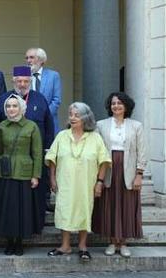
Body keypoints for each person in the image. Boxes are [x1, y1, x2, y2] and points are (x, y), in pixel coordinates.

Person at [45, 102, 111, 262]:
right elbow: (52, 158)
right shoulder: (61, 135)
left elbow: (103, 161)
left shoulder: (95, 138)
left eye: (77, 115)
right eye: (71, 114)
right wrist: (52, 178)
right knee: (65, 210)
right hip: (65, 182)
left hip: (86, 183)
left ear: (85, 118)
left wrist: (99, 182)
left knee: (84, 210)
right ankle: (65, 246)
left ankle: (82, 246)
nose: (73, 118)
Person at [0, 66, 55, 218]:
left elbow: (49, 125)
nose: (22, 84)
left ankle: (35, 223)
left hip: (36, 154)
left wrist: (48, 148)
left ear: (30, 81)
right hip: (12, 157)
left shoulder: (39, 98)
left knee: (36, 192)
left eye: (25, 81)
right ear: (13, 81)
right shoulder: (4, 99)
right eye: (19, 81)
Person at [94, 92, 147, 258]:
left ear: (126, 106)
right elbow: (96, 149)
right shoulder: (101, 125)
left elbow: (142, 151)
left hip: (129, 170)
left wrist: (139, 174)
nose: (116, 106)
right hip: (108, 169)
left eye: (119, 103)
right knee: (109, 204)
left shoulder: (136, 126)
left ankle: (123, 242)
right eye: (113, 103)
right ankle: (111, 241)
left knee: (127, 205)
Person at [0, 94, 43, 256]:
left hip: (24, 172)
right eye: (8, 106)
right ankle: (9, 241)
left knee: (22, 210)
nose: (11, 109)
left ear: (21, 108)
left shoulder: (31, 126)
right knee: (7, 208)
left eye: (14, 106)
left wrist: (36, 175)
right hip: (5, 172)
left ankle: (19, 242)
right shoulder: (1, 126)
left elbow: (37, 152)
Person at [25, 47, 62, 132]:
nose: (28, 61)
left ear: (41, 60)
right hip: (28, 123)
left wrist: (44, 115)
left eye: (31, 57)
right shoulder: (24, 76)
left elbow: (56, 100)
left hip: (49, 122)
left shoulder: (53, 76)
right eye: (27, 58)